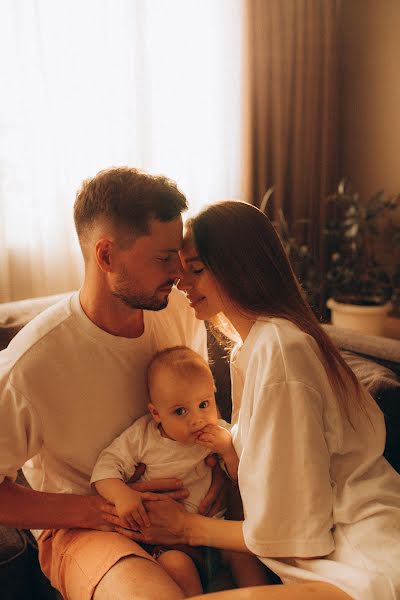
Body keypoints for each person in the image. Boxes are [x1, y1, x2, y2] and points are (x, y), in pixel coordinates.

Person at [117, 200, 400, 600]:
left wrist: (184, 526)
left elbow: (297, 530)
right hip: (335, 559)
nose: (181, 282)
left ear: (239, 269)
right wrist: (227, 451)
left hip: (363, 564)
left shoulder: (281, 350)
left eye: (195, 269)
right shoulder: (255, 348)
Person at [0, 167, 228, 600]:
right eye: (164, 258)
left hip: (185, 512)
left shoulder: (178, 312)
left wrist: (216, 474)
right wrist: (103, 509)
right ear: (106, 256)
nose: (180, 272)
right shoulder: (34, 363)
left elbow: (198, 407)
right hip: (85, 530)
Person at [92, 345, 265, 596]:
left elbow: (244, 476)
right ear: (156, 414)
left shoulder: (221, 433)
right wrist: (121, 495)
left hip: (218, 532)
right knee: (175, 564)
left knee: (246, 556)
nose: (197, 420)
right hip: (172, 542)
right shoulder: (142, 438)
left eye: (204, 404)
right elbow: (104, 469)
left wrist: (228, 450)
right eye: (180, 411)